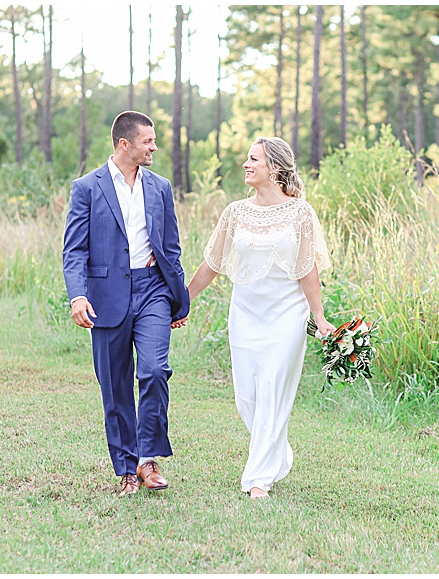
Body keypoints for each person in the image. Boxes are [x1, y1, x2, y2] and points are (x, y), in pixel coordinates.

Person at [184, 136, 336, 499]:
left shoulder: (300, 213)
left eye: (254, 159)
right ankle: (276, 451)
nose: (246, 165)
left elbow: (307, 269)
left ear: (275, 168)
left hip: (287, 314)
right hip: (246, 314)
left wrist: (320, 317)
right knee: (247, 396)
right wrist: (183, 301)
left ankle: (258, 480)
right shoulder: (235, 212)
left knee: (271, 389)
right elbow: (213, 264)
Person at [62, 111, 190, 497]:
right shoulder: (86, 187)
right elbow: (74, 250)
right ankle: (126, 469)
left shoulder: (161, 186)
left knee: (154, 370)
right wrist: (78, 294)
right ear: (124, 144)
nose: (154, 147)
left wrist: (177, 298)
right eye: (148, 141)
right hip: (105, 298)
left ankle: (149, 460)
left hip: (152, 291)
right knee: (115, 386)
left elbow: (170, 247)